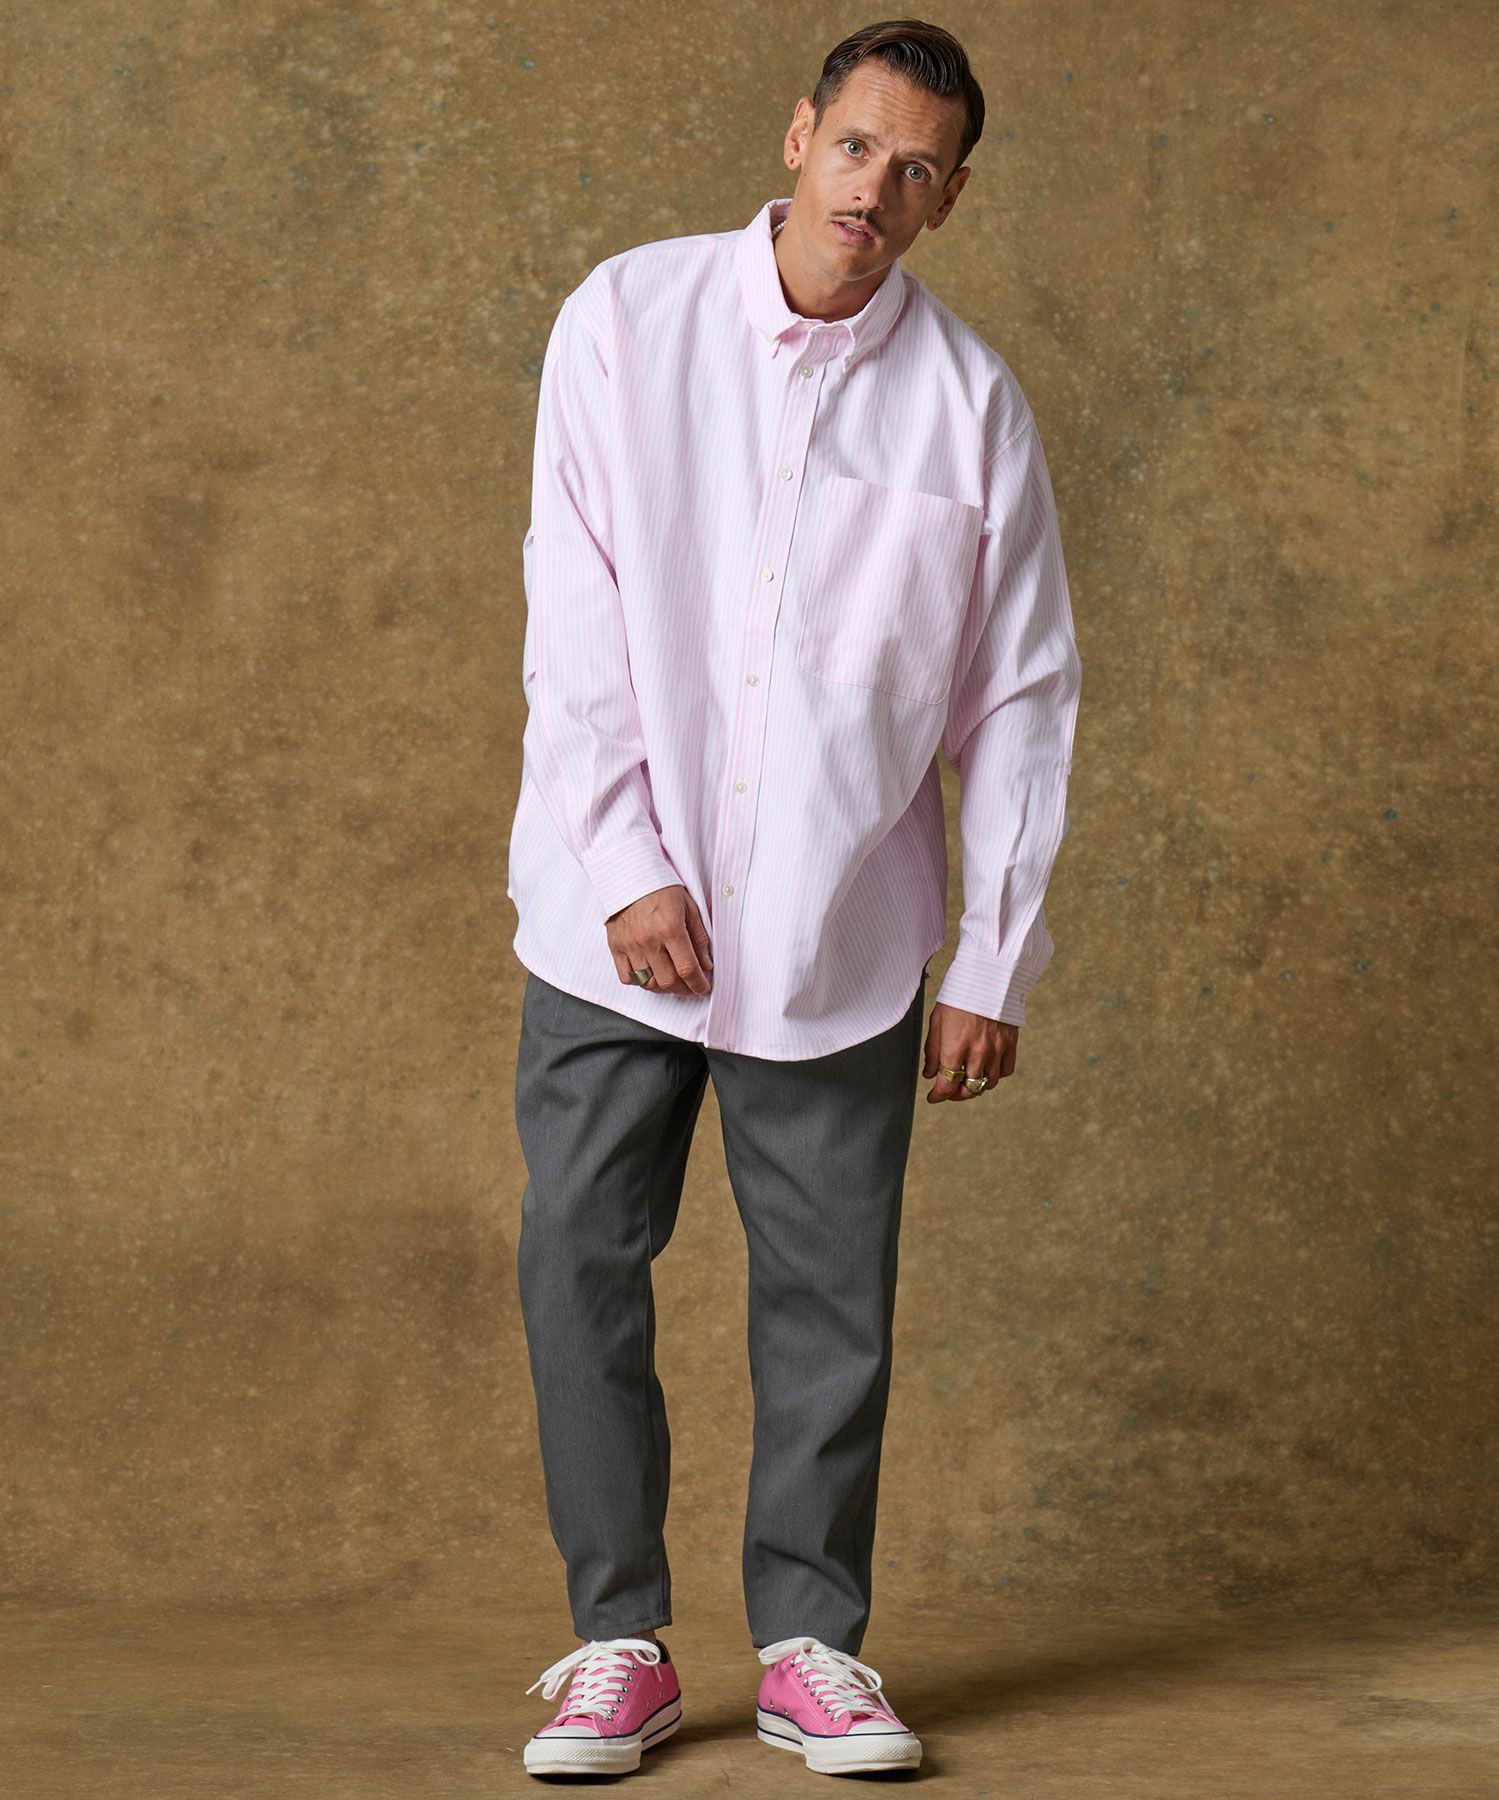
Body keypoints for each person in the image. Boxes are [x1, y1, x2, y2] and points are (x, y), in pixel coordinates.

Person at [509, 18, 1081, 1780]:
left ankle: (812, 1646)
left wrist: (994, 956)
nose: (873, 192)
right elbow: (574, 604)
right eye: (855, 148)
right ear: (798, 135)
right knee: (577, 1259)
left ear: (948, 199)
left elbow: (1022, 693)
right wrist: (628, 864)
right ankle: (618, 1643)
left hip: (839, 929)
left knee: (833, 1303)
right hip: (609, 924)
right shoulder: (627, 320)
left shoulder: (971, 406)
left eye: (917, 171)